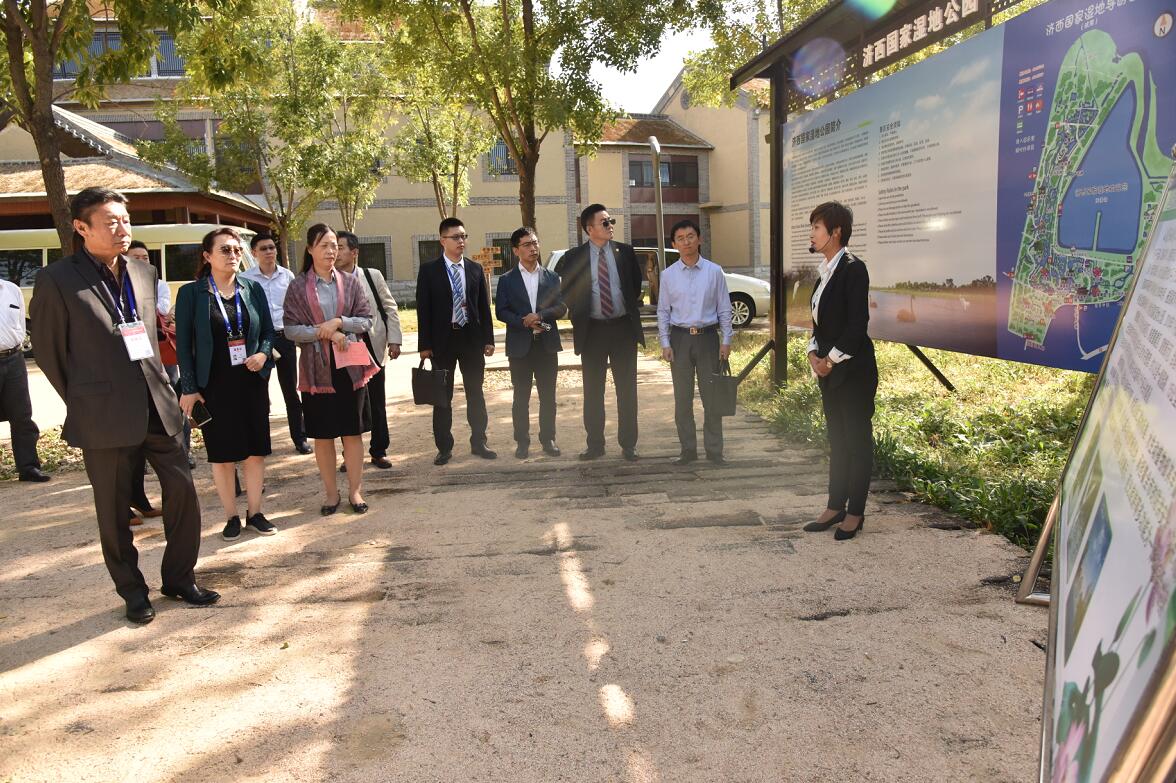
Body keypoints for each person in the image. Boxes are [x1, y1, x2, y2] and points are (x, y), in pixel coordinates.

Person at [30, 187, 218, 624]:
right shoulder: (57, 279)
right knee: (114, 512)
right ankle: (133, 592)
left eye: (125, 220)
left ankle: (180, 578)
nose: (122, 228)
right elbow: (50, 352)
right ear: (82, 228)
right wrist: (85, 398)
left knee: (183, 493)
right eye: (111, 221)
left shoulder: (143, 272)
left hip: (157, 404)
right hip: (103, 414)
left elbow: (149, 337)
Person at [175, 227, 278, 541]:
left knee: (255, 451)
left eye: (236, 249)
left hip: (251, 382)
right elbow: (184, 346)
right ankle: (231, 516)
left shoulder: (252, 288)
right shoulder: (191, 294)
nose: (233, 255)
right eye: (225, 250)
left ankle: (255, 512)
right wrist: (189, 388)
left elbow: (268, 332)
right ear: (207, 256)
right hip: (213, 387)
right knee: (222, 455)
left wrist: (263, 354)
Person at [283, 223, 378, 514]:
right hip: (317, 371)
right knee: (323, 435)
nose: (331, 251)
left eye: (334, 245)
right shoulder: (298, 286)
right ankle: (330, 494)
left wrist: (339, 323)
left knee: (352, 432)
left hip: (350, 368)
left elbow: (366, 320)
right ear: (310, 249)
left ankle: (355, 491)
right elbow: (290, 329)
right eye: (324, 245)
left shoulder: (350, 282)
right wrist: (323, 333)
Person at [800, 201, 877, 541]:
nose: (811, 233)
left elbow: (857, 326)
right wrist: (813, 354)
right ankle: (835, 506)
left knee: (857, 442)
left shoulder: (854, 269)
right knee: (837, 440)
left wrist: (829, 360)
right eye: (812, 227)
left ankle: (855, 512)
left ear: (836, 232)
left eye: (816, 227)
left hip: (854, 372)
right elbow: (819, 325)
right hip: (829, 372)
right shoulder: (825, 271)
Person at [556, 204, 645, 461]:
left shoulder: (625, 252)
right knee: (593, 392)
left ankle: (629, 444)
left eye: (610, 221)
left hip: (623, 330)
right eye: (604, 222)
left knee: (627, 391)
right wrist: (581, 312)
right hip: (592, 332)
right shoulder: (574, 257)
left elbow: (634, 287)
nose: (610, 226)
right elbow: (567, 292)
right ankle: (595, 444)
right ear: (589, 228)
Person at [416, 217, 496, 466]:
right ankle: (444, 447)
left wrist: (488, 339)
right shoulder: (429, 271)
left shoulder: (474, 269)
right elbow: (423, 309)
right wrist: (424, 345)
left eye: (463, 236)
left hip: (471, 340)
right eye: (455, 237)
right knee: (442, 397)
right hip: (443, 342)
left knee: (476, 393)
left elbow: (483, 307)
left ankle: (479, 442)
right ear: (443, 240)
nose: (461, 241)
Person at [657, 219, 734, 466]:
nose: (686, 242)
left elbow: (724, 308)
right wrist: (665, 342)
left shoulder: (714, 271)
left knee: (712, 397)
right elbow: (663, 311)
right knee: (682, 398)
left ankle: (714, 451)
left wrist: (726, 340)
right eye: (680, 238)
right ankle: (688, 450)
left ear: (699, 239)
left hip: (708, 339)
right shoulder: (668, 275)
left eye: (691, 236)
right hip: (679, 340)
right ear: (674, 244)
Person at [495, 227, 567, 459]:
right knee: (521, 398)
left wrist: (540, 316)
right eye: (527, 244)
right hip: (520, 347)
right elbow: (501, 311)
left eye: (535, 243)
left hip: (546, 344)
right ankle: (522, 442)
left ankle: (548, 439)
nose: (533, 248)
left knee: (548, 397)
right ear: (516, 250)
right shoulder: (507, 280)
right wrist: (523, 321)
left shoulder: (551, 277)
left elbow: (561, 307)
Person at [240, 232, 312, 455]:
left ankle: (300, 438)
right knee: (259, 393)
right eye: (263, 248)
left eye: (272, 247)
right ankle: (260, 442)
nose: (269, 252)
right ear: (254, 253)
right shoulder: (245, 279)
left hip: (284, 338)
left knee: (291, 390)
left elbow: (297, 305)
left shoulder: (287, 275)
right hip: (260, 342)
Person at [335, 231, 402, 469]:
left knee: (376, 401)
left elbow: (389, 308)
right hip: (344, 349)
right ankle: (350, 455)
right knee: (348, 404)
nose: (335, 252)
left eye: (340, 247)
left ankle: (379, 450)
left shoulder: (372, 276)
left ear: (354, 252)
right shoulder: (328, 280)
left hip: (372, 345)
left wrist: (394, 340)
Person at [0, 277, 49, 482]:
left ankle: (28, 468)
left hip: (14, 359)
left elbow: (21, 322)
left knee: (22, 415)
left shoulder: (11, 289)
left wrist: (16, 343)